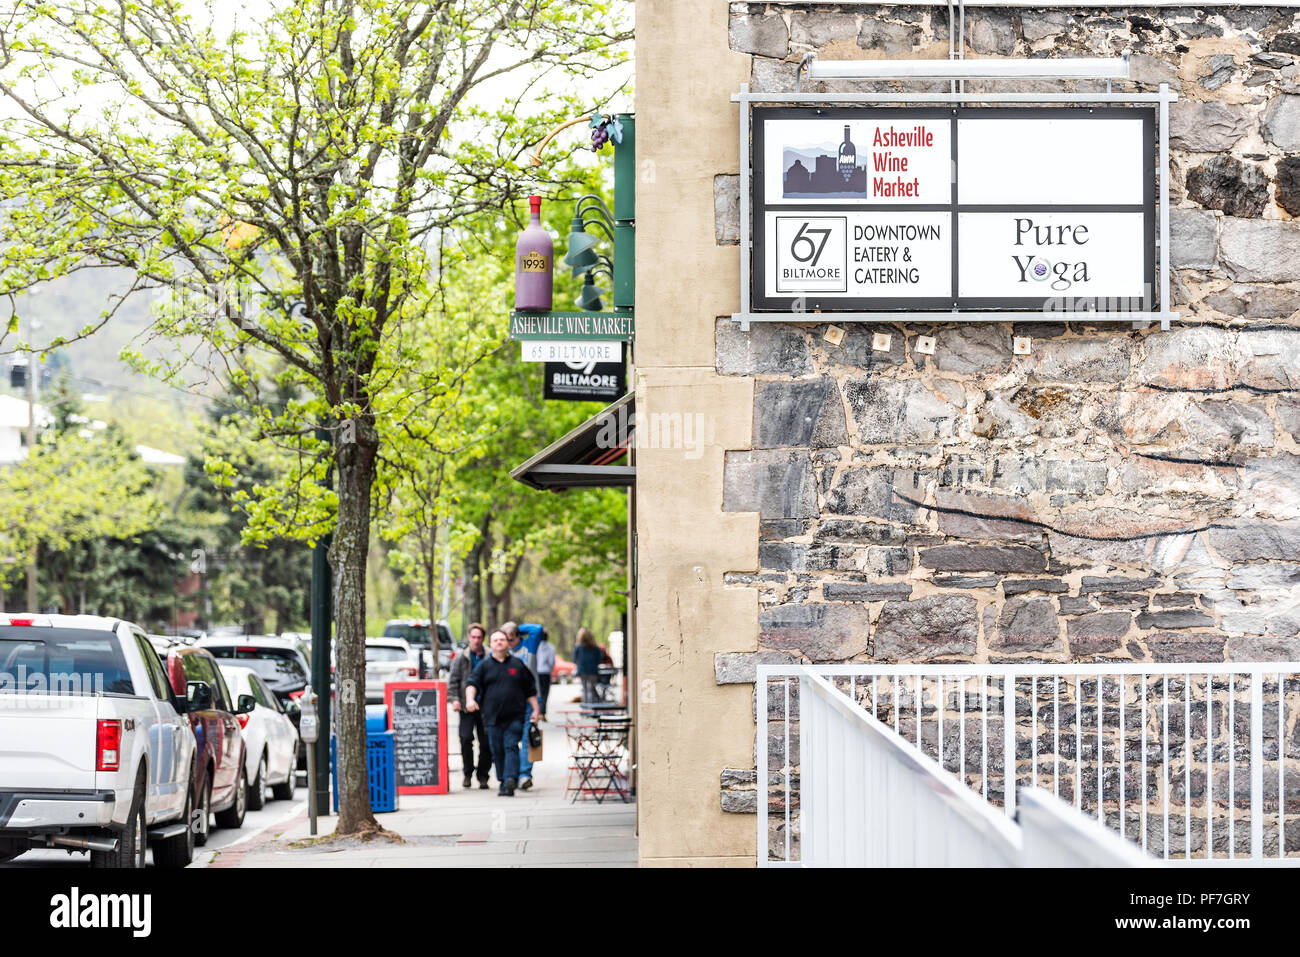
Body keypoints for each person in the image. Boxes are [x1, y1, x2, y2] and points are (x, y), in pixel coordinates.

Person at [465, 629, 539, 797]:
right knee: (497, 750)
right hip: (492, 718)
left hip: (515, 716)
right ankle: (503, 780)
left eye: (502, 640)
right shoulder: (484, 665)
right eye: (495, 640)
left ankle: (510, 779)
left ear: (508, 643)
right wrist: (470, 700)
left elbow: (530, 690)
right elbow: (472, 684)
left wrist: (535, 709)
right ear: (490, 645)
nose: (499, 642)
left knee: (511, 746)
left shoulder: (517, 664)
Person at [447, 622, 491, 789]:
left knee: (486, 742)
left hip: (486, 706)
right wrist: (454, 699)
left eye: (479, 637)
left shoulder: (490, 656)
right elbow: (453, 680)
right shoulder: (461, 657)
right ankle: (467, 773)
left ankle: (483, 775)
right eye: (473, 637)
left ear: (483, 638)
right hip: (466, 706)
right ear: (469, 637)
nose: (476, 640)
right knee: (465, 738)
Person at [502, 621, 539, 789]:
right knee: (509, 739)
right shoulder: (503, 652)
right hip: (509, 701)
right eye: (505, 639)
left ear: (519, 637)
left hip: (529, 700)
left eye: (511, 639)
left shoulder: (528, 647)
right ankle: (511, 773)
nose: (508, 644)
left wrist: (516, 627)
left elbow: (537, 629)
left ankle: (525, 774)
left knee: (528, 738)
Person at [574, 627, 603, 705]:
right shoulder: (595, 648)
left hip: (582, 671)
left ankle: (585, 708)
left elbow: (575, 659)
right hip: (593, 671)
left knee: (585, 689)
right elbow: (599, 659)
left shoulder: (578, 647)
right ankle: (591, 707)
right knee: (591, 689)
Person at [534, 628, 555, 720]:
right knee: (545, 693)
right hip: (546, 672)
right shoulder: (551, 647)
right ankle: (542, 712)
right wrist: (549, 669)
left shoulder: (535, 646)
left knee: (537, 692)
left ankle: (538, 712)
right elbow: (551, 662)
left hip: (537, 672)